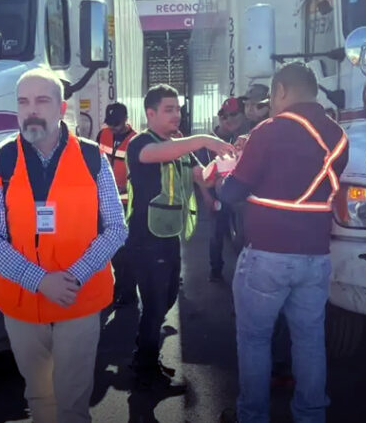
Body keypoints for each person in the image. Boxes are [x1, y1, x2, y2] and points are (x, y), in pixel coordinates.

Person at [0, 68, 128, 423]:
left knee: (73, 402)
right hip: (22, 304)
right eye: (23, 102)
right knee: (40, 397)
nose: (31, 110)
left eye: (42, 101)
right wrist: (40, 281)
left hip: (79, 299)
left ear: (61, 108)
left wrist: (70, 278)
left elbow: (116, 229)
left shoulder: (93, 159)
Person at [218, 63, 349, 423]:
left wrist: (216, 175)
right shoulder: (338, 136)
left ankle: (253, 416)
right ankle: (310, 416)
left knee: (255, 341)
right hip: (316, 257)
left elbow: (233, 192)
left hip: (267, 256)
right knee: (309, 341)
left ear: (281, 92)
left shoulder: (269, 131)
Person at [125, 84, 235, 388]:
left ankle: (145, 355)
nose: (177, 115)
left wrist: (229, 162)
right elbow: (161, 154)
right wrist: (204, 139)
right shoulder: (141, 144)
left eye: (178, 109)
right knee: (155, 301)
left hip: (169, 236)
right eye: (169, 109)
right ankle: (144, 366)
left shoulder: (179, 145)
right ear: (150, 113)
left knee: (168, 296)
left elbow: (203, 175)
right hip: (145, 239)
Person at [199, 97, 248, 282]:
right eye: (224, 116)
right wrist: (206, 198)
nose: (228, 119)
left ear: (243, 115)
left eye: (233, 114)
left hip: (240, 199)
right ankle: (216, 270)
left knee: (242, 236)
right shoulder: (210, 141)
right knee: (216, 233)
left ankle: (242, 273)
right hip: (217, 197)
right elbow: (200, 174)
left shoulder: (248, 137)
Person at [95, 103, 138, 306]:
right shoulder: (102, 135)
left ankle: (127, 292)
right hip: (104, 199)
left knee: (126, 250)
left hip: (125, 201)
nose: (113, 128)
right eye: (110, 124)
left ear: (126, 120)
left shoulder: (136, 141)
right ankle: (118, 286)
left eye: (117, 125)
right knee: (112, 249)